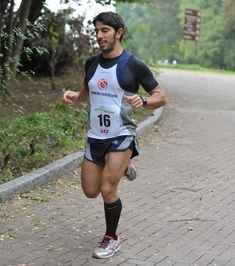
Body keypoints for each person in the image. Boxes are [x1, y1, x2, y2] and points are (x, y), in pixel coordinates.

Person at [62, 11, 167, 259]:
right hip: (96, 136)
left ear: (118, 33)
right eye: (97, 31)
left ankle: (111, 238)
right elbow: (86, 90)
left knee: (108, 187)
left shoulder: (134, 65)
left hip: (122, 134)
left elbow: (160, 96)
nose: (99, 36)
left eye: (104, 30)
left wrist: (143, 100)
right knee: (91, 190)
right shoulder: (91, 63)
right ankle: (124, 166)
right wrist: (76, 96)